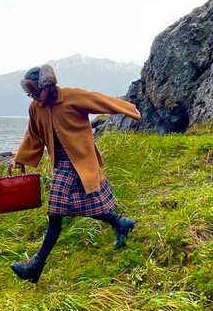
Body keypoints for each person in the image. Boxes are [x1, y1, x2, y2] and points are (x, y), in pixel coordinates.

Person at [10, 64, 142, 283]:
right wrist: (20, 159)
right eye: (30, 94)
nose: (33, 98)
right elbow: (33, 134)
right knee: (84, 205)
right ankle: (121, 223)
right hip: (61, 165)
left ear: (47, 86)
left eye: (35, 92)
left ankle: (35, 266)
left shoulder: (72, 97)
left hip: (81, 162)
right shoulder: (36, 107)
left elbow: (100, 101)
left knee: (55, 213)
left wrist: (131, 110)